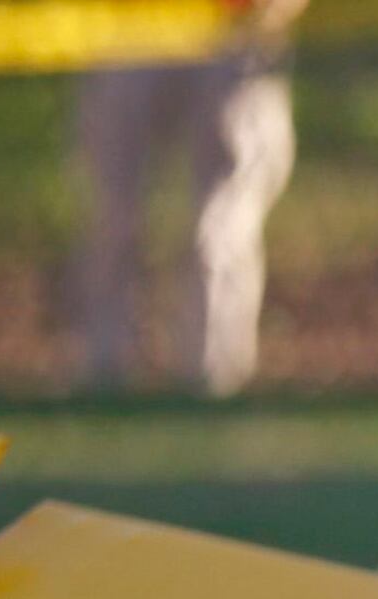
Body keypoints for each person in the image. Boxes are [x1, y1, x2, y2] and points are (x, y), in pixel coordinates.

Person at [68, 0, 302, 397]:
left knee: (223, 227)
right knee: (113, 220)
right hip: (129, 28)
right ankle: (103, 379)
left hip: (235, 32)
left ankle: (215, 384)